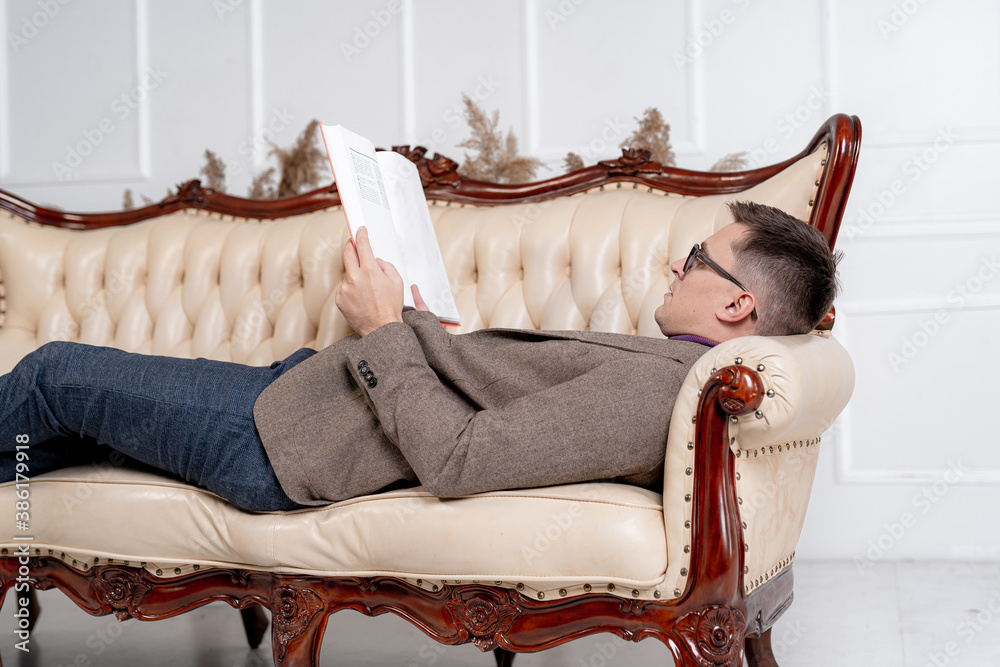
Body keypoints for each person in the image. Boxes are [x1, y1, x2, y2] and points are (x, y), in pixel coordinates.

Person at [0, 201, 840, 512]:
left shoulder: (663, 391)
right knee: (68, 430)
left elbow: (460, 457)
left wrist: (383, 331)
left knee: (51, 375)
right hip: (296, 399)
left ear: (738, 303)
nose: (675, 264)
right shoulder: (673, 371)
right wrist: (417, 323)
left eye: (696, 255)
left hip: (276, 439)